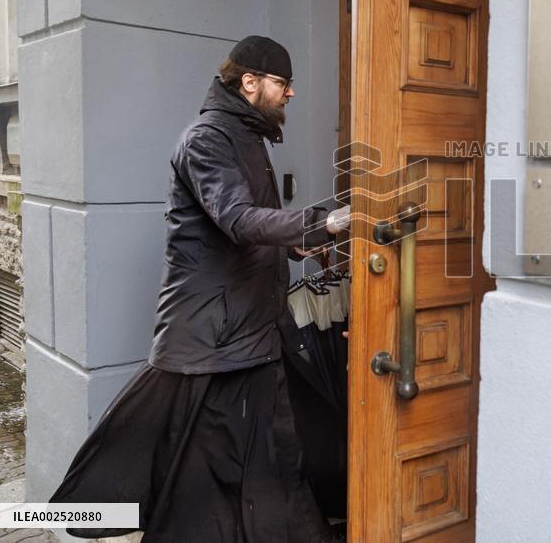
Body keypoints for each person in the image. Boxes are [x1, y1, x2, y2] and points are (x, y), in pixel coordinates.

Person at [50, 36, 350, 542]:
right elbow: (236, 219)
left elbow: (245, 231)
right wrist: (324, 224)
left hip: (252, 333)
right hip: (213, 339)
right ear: (250, 82)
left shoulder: (247, 136)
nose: (292, 93)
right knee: (201, 477)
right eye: (284, 82)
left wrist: (294, 248)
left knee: (275, 459)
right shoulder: (206, 139)